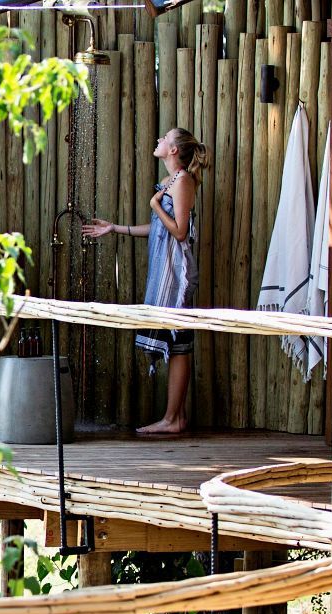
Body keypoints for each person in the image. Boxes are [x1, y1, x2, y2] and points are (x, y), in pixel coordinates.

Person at [83, 127, 209, 435]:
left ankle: (173, 419)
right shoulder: (169, 182)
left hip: (176, 275)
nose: (158, 141)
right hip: (163, 271)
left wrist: (155, 205)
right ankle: (173, 418)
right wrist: (115, 228)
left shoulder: (182, 183)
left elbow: (179, 232)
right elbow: (159, 231)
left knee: (179, 344)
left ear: (174, 150)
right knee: (176, 342)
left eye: (163, 138)